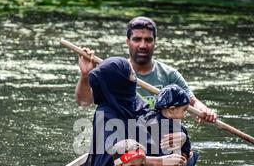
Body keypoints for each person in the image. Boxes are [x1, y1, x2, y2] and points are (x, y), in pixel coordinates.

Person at [77, 56, 187, 166]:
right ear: (118, 82)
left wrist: (180, 135)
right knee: (167, 164)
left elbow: (158, 120)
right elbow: (116, 157)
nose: (134, 75)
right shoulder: (106, 114)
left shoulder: (134, 103)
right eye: (129, 72)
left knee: (180, 163)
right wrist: (159, 162)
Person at [75, 16, 217, 128]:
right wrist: (86, 76)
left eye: (148, 40)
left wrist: (205, 111)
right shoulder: (114, 73)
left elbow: (192, 103)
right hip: (124, 138)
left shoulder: (169, 75)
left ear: (155, 42)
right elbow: (83, 102)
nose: (143, 45)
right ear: (127, 42)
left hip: (161, 138)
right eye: (137, 39)